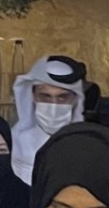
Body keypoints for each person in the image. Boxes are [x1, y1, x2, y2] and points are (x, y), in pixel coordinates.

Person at [9, 54, 87, 183]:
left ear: (75, 100)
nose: (53, 105)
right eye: (45, 97)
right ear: (33, 97)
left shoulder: (86, 145)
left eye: (63, 97)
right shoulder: (15, 142)